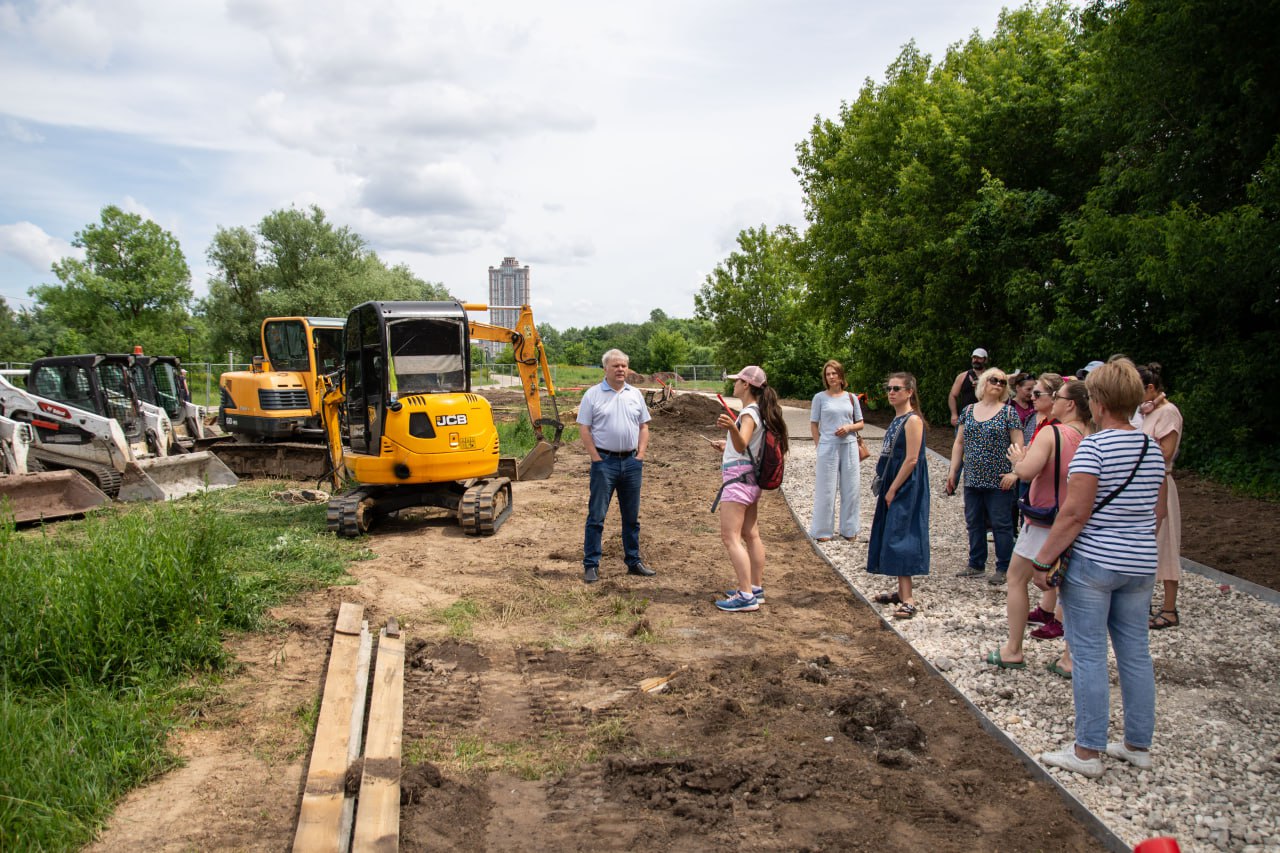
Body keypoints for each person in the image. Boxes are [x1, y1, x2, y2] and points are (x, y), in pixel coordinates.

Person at [1032, 358, 1168, 778]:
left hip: (1095, 562)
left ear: (1098, 401)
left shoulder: (1094, 448)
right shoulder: (1151, 448)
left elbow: (1074, 513)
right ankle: (1137, 743)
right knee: (1135, 652)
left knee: (1088, 653)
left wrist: (1043, 559)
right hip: (1140, 562)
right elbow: (1158, 510)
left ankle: (1086, 750)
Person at [987, 376, 1090, 672]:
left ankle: (1013, 649)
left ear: (1070, 404)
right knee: (1072, 590)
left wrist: (1019, 460)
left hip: (1046, 520)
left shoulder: (1052, 433)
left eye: (1058, 397)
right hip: (1079, 521)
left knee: (1016, 578)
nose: (1053, 401)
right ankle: (1071, 658)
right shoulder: (1092, 435)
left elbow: (1028, 472)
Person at [711, 365, 789, 612]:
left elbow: (742, 441)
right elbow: (746, 446)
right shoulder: (760, 411)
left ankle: (745, 596)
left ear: (746, 385)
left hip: (738, 481)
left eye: (737, 380)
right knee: (750, 534)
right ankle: (755, 588)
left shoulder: (748, 413)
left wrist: (732, 428)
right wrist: (727, 445)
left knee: (730, 537)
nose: (733, 384)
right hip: (751, 479)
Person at [577, 349, 654, 584]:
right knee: (597, 516)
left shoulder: (635, 394)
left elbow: (643, 426)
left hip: (631, 463)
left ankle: (633, 561)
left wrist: (640, 454)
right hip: (605, 463)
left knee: (631, 517)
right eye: (615, 366)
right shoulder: (593, 395)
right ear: (605, 369)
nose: (621, 369)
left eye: (623, 365)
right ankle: (591, 564)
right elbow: (584, 428)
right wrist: (596, 458)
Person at [946, 367, 1024, 584]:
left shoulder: (1008, 413)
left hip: (999, 480)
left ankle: (1004, 567)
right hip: (972, 478)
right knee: (974, 521)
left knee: (1001, 524)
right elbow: (959, 442)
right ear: (983, 383)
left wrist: (1015, 472)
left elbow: (1019, 445)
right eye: (994, 380)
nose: (998, 384)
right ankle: (976, 563)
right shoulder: (968, 410)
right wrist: (953, 471)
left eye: (1002, 382)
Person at [866, 373, 930, 619]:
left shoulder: (913, 420)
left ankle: (909, 598)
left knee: (902, 534)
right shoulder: (897, 418)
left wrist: (893, 488)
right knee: (891, 532)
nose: (891, 392)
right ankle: (901, 592)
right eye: (889, 388)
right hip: (893, 480)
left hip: (906, 485)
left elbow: (912, 459)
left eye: (896, 388)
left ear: (909, 392)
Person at [1138, 362, 1183, 630]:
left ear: (1151, 388)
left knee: (1165, 542)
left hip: (1160, 482)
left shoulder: (1168, 412)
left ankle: (1169, 608)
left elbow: (1166, 451)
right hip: (1146, 482)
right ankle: (1143, 602)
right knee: (1148, 542)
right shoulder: (1149, 412)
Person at [809, 359, 865, 542]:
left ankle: (849, 529)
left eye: (834, 373)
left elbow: (861, 423)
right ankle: (822, 531)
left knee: (851, 489)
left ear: (841, 376)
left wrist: (849, 427)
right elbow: (814, 424)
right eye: (828, 374)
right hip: (828, 447)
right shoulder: (819, 398)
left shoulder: (851, 398)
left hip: (849, 446)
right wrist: (819, 445)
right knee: (826, 490)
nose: (831, 377)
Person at [948, 348, 989, 427]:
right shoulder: (962, 376)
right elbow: (952, 395)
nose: (976, 360)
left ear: (985, 360)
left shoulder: (992, 377)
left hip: (987, 417)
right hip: (966, 418)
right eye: (974, 358)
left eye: (979, 358)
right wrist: (954, 414)